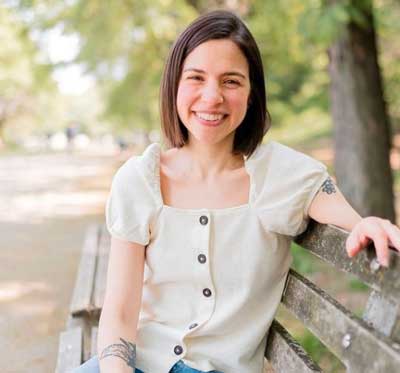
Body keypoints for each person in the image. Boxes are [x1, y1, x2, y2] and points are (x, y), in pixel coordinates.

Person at [73, 9, 400, 373]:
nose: (212, 97)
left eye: (231, 81)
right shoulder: (139, 180)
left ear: (251, 94)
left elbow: (348, 220)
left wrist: (368, 223)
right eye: (196, 78)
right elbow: (119, 312)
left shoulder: (281, 174)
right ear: (174, 86)